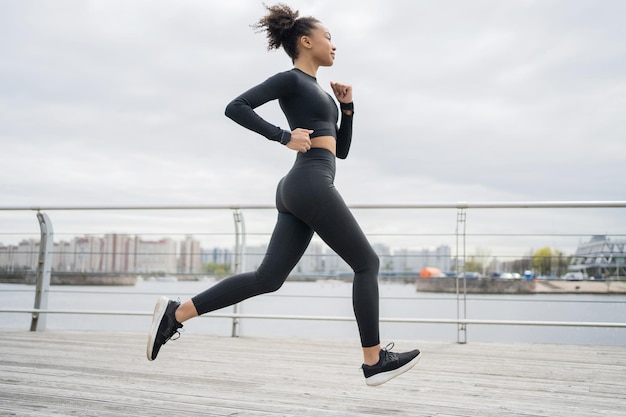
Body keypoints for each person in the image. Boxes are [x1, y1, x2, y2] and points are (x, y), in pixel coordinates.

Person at [147, 3, 421, 386]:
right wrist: (282, 136)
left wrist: (348, 107)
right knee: (367, 264)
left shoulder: (318, 90)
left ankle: (176, 314)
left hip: (302, 184)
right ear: (306, 42)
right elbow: (235, 107)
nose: (334, 45)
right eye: (329, 37)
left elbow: (339, 150)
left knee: (268, 278)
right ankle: (373, 361)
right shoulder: (291, 80)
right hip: (308, 182)